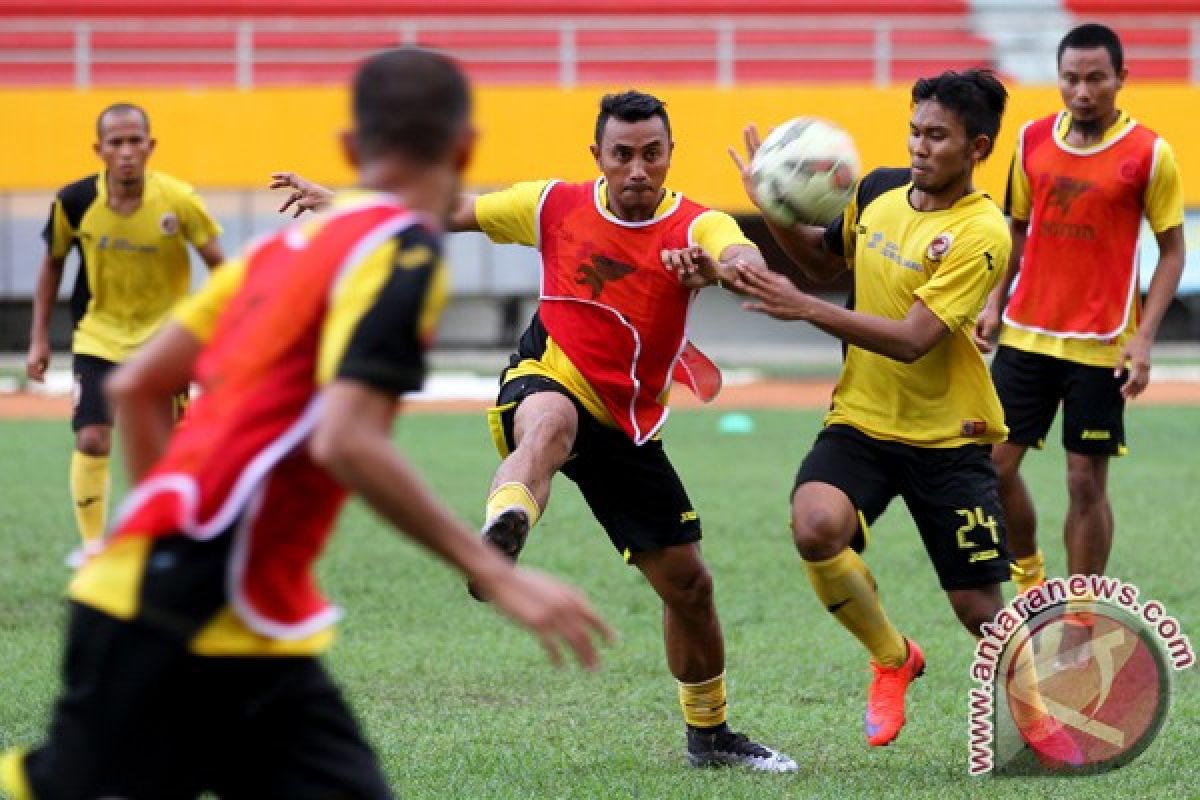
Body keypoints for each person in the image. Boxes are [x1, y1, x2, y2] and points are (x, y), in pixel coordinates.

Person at [0, 48, 612, 800]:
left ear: (351, 151)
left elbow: (135, 388)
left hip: (223, 606)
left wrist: (164, 522)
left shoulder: (284, 248)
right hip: (187, 601)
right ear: (463, 149)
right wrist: (490, 569)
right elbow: (346, 439)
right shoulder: (403, 255)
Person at [271, 89, 797, 773]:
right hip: (549, 372)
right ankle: (499, 540)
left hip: (627, 422)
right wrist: (342, 203)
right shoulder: (553, 205)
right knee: (546, 426)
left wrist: (723, 269)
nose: (638, 169)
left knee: (689, 586)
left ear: (670, 155)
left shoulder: (694, 226)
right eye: (623, 155)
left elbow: (735, 255)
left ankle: (711, 735)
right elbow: (443, 210)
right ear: (598, 156)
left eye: (652, 155)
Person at [726, 70, 1079, 764]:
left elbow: (916, 340)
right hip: (862, 419)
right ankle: (892, 658)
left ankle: (1041, 718)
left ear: (975, 146)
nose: (920, 146)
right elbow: (827, 264)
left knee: (980, 609)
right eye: (915, 130)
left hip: (951, 441)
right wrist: (771, 206)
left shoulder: (981, 234)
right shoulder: (878, 188)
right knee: (815, 525)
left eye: (937, 135)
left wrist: (800, 305)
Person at [974, 23, 1185, 599]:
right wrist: (994, 303)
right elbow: (1016, 230)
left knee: (1084, 481)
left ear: (1120, 78)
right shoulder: (1031, 140)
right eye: (1071, 78)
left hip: (1103, 342)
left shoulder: (1150, 153)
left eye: (1096, 78)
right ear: (1059, 79)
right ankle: (1031, 579)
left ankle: (1084, 611)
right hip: (1026, 334)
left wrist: (1144, 342)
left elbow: (1172, 253)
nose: (1083, 90)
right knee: (991, 468)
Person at [26, 102, 226, 565]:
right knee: (93, 438)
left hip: (165, 343)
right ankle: (94, 549)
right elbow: (53, 263)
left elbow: (219, 264)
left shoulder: (179, 201)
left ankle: (169, 543)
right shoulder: (74, 203)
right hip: (99, 336)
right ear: (99, 150)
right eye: (116, 143)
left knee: (171, 449)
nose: (127, 152)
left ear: (151, 146)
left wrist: (219, 331)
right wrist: (39, 337)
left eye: (136, 140)